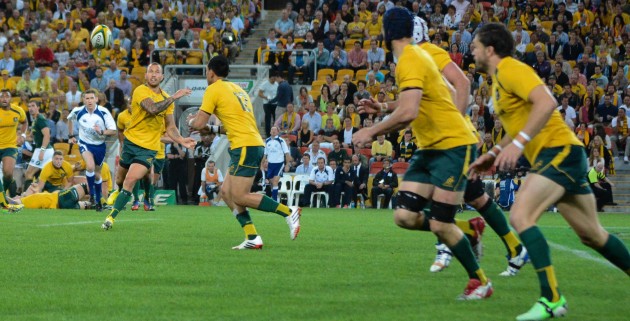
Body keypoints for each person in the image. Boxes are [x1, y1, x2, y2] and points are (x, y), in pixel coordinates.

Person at [470, 23, 630, 320]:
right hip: (563, 155)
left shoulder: (510, 70)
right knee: (592, 235)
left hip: (558, 152)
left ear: (490, 50)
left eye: (476, 46)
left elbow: (547, 102)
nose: (473, 51)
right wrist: (492, 154)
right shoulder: (497, 80)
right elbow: (518, 125)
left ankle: (551, 298)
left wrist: (518, 144)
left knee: (520, 216)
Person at [353, 8, 493, 300]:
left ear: (387, 33)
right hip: (431, 146)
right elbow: (414, 104)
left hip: (452, 144)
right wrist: (382, 108)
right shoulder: (412, 59)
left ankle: (480, 281)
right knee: (404, 216)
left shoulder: (410, 60)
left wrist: (372, 132)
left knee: (441, 223)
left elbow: (409, 112)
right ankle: (467, 231)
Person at [413, 17, 528, 276]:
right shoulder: (416, 57)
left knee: (433, 191)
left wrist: (453, 121)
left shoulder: (428, 52)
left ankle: (447, 243)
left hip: (452, 139)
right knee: (475, 196)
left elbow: (463, 82)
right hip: (445, 138)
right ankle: (512, 246)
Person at [188, 56, 301, 250]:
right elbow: (232, 126)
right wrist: (213, 130)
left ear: (211, 72)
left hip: (245, 146)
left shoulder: (213, 89)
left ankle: (288, 211)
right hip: (249, 143)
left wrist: (190, 122)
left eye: (207, 71)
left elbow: (198, 124)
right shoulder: (238, 90)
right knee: (226, 192)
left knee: (240, 196)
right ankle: (252, 236)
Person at [102, 63, 196, 230]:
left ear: (162, 77)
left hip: (149, 148)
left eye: (157, 72)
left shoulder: (167, 99)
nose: (153, 75)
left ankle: (111, 217)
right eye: (150, 72)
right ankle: (117, 190)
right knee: (120, 180)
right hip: (131, 142)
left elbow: (170, 127)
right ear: (146, 76)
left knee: (130, 180)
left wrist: (181, 140)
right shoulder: (140, 91)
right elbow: (152, 109)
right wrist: (174, 97)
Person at [68, 89, 117, 211]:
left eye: (91, 98)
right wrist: (71, 136)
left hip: (100, 145)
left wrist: (101, 131)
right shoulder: (78, 111)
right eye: (87, 98)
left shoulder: (104, 112)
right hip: (85, 144)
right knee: (89, 166)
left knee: (97, 174)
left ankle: (99, 198)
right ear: (83, 100)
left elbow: (113, 130)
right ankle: (92, 196)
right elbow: (70, 119)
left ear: (96, 99)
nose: (89, 100)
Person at [0, 90, 27, 212]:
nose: (4, 99)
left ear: (11, 99)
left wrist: (23, 135)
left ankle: (2, 196)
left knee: (8, 173)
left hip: (10, 146)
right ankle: (3, 200)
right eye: (2, 97)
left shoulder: (18, 111)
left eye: (7, 96)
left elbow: (25, 122)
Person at [24, 100, 55, 190]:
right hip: (41, 149)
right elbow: (31, 137)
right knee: (39, 176)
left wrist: (42, 150)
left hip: (44, 150)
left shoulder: (40, 119)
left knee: (29, 174)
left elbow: (47, 135)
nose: (31, 108)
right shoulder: (35, 120)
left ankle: (26, 198)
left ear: (38, 107)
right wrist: (20, 138)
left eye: (33, 106)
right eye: (29, 106)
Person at [10, 183, 92, 209]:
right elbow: (10, 203)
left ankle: (92, 205)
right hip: (61, 199)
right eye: (15, 196)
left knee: (88, 205)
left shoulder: (34, 199)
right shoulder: (25, 201)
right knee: (86, 186)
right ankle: (101, 199)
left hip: (63, 206)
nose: (16, 196)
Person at [264, 126, 292, 202]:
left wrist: (287, 164)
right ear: (270, 132)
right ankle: (274, 197)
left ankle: (274, 201)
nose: (273, 131)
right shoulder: (267, 141)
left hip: (279, 164)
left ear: (277, 132)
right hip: (270, 164)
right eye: (272, 129)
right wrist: (262, 163)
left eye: (275, 130)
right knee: (272, 183)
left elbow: (286, 153)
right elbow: (265, 154)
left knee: (275, 181)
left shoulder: (281, 141)